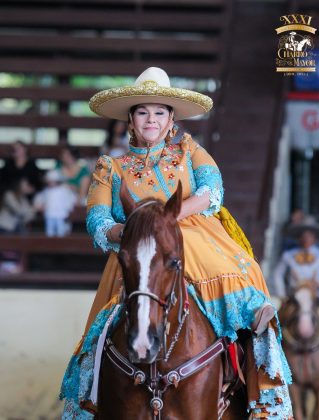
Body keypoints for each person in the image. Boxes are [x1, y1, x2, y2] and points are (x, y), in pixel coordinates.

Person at [60, 67, 293, 418]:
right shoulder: (110, 166)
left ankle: (263, 392)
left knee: (241, 281)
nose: (150, 119)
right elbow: (97, 220)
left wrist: (169, 218)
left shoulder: (189, 149)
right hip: (139, 247)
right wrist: (135, 229)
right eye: (142, 112)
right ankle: (89, 402)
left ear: (171, 119)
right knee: (100, 334)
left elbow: (212, 191)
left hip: (193, 233)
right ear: (131, 119)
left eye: (158, 112)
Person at [274, 224, 319, 299]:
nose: (306, 239)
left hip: (316, 297)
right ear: (298, 238)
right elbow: (277, 275)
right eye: (303, 236)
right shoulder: (288, 255)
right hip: (293, 296)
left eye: (309, 236)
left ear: (315, 239)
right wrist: (281, 294)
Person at [34, 170, 77, 237]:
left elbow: (70, 200)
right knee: (49, 232)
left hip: (61, 215)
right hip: (49, 214)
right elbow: (39, 199)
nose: (51, 183)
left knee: (61, 231)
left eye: (53, 181)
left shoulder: (64, 190)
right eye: (49, 181)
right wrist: (40, 205)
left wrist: (68, 210)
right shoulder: (46, 191)